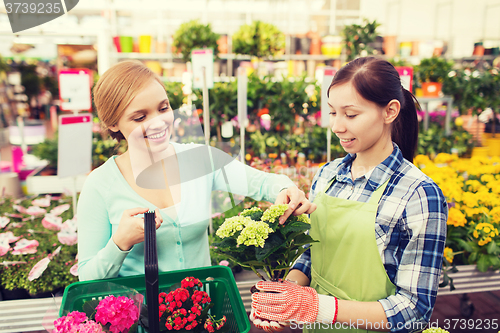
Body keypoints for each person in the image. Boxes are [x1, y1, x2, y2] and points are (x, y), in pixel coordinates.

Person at [250, 57, 448, 333]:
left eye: (351, 115)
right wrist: (288, 297)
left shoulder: (419, 194)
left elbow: (414, 310)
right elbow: (313, 253)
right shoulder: (327, 175)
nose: (337, 126)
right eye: (332, 112)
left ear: (390, 111)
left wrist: (317, 307)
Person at [77, 60, 316, 281]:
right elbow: (87, 277)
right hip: (141, 321)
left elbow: (262, 183)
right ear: (113, 124)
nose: (158, 123)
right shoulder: (100, 184)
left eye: (163, 108)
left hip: (203, 314)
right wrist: (120, 243)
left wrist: (287, 189)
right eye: (140, 117)